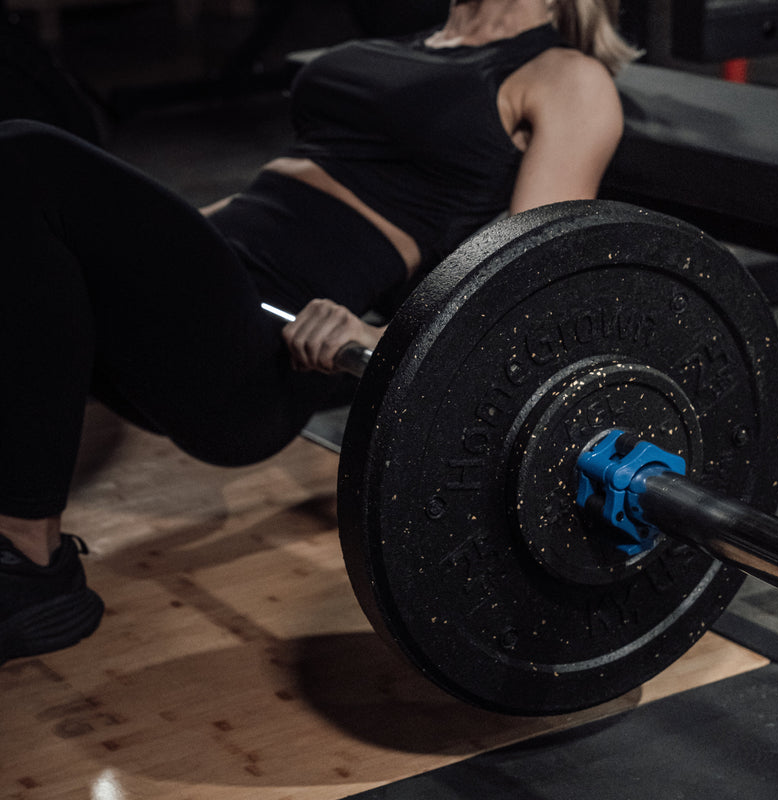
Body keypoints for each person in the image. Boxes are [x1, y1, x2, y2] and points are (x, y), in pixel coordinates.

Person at [0, 0, 638, 665]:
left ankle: (30, 561)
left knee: (22, 148)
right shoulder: (412, 42)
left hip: (261, 338)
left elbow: (525, 284)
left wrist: (385, 334)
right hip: (204, 283)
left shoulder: (564, 75)